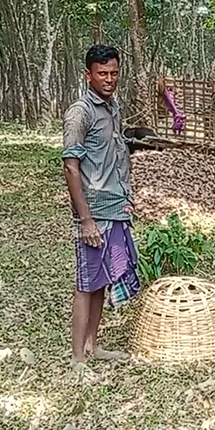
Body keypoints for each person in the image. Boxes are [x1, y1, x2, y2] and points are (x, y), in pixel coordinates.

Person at [62, 44, 140, 368]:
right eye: (102, 73)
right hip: (94, 212)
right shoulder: (80, 113)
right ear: (88, 75)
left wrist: (126, 199)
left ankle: (94, 346)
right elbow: (71, 166)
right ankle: (78, 357)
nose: (109, 79)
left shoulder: (113, 107)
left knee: (102, 282)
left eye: (114, 73)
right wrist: (85, 220)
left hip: (115, 207)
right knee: (86, 284)